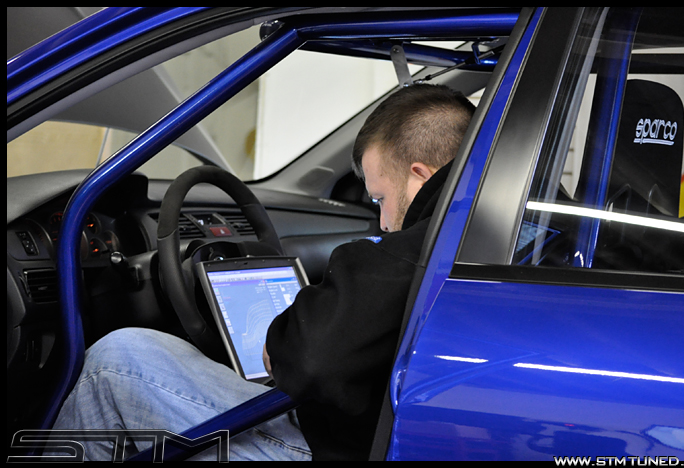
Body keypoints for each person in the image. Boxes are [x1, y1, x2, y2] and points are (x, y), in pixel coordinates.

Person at [50, 83, 476, 461]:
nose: (382, 222)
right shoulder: (493, 236)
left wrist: (280, 343)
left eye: (380, 198)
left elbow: (311, 362)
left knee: (116, 361)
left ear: (420, 177)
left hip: (328, 447)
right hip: (382, 435)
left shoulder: (414, 251)